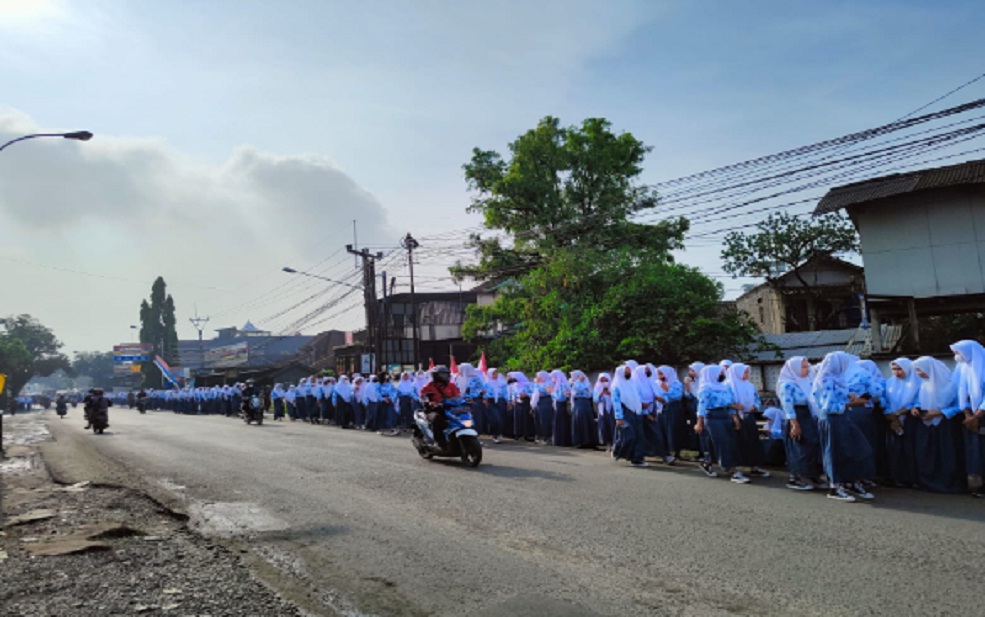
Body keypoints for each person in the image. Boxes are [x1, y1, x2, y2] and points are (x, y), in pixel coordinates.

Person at [813, 352, 876, 502]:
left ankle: (851, 481)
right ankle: (835, 486)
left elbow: (842, 395)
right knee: (835, 452)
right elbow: (829, 406)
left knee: (856, 449)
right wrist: (852, 403)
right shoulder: (825, 380)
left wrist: (851, 396)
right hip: (832, 418)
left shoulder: (838, 378)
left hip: (843, 417)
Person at [911, 356, 965, 493]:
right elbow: (918, 400)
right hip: (926, 423)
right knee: (926, 454)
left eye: (920, 370)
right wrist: (916, 408)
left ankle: (949, 484)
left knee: (947, 454)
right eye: (917, 370)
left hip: (945, 424)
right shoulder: (923, 384)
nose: (919, 373)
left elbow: (960, 405)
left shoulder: (951, 384)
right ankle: (928, 483)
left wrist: (939, 413)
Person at [694, 365, 749, 483]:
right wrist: (699, 422)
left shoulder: (724, 387)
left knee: (725, 441)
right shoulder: (705, 389)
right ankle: (731, 469)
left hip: (725, 415)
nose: (722, 375)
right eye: (720, 373)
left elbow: (729, 403)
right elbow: (701, 407)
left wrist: (734, 416)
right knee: (723, 442)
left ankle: (707, 463)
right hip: (713, 416)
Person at [777, 356, 823, 490]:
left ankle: (812, 475)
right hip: (795, 417)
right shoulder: (787, 384)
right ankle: (796, 478)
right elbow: (787, 405)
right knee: (799, 448)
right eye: (803, 367)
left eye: (807, 366)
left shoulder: (807, 382)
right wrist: (794, 423)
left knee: (812, 446)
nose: (807, 369)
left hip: (807, 415)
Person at [951, 340, 985, 498]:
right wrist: (967, 414)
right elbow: (960, 390)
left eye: (958, 352)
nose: (956, 356)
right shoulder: (962, 368)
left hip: (981, 414)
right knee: (974, 451)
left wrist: (978, 415)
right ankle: (976, 486)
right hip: (970, 415)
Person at [728, 363, 770, 478]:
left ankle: (754, 466)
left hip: (748, 416)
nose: (747, 375)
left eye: (748, 372)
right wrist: (734, 414)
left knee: (753, 441)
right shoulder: (728, 386)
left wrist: (755, 407)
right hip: (736, 418)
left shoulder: (749, 385)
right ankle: (737, 468)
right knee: (738, 442)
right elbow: (727, 403)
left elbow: (757, 399)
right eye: (744, 372)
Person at [883, 358, 920, 488]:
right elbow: (884, 400)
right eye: (894, 369)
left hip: (910, 419)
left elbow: (917, 401)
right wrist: (892, 416)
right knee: (894, 450)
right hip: (892, 420)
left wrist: (900, 413)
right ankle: (896, 478)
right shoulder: (889, 383)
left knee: (910, 450)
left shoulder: (916, 382)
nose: (897, 372)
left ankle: (912, 479)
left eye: (900, 369)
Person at [611, 364, 648, 467]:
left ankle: (637, 459)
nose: (628, 373)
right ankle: (617, 450)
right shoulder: (616, 386)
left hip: (637, 412)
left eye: (629, 371)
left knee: (639, 436)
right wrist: (618, 417)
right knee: (629, 436)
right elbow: (616, 402)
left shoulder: (633, 383)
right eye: (626, 371)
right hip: (625, 412)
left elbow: (637, 397)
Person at [420, 365, 461, 448]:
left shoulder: (451, 385)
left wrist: (466, 400)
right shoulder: (428, 386)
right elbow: (422, 396)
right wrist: (429, 402)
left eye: (446, 374)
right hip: (434, 410)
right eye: (442, 375)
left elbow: (458, 396)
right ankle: (439, 442)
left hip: (450, 409)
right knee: (436, 419)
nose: (445, 377)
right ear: (436, 376)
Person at [655, 366, 685, 461]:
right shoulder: (656, 383)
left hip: (673, 409)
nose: (660, 376)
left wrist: (667, 390)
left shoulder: (676, 383)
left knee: (673, 430)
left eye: (662, 373)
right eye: (659, 374)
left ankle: (675, 451)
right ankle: (665, 452)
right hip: (661, 410)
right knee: (662, 431)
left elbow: (678, 396)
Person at [570, 370, 597, 449]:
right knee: (579, 421)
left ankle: (589, 441)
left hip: (585, 404)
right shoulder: (574, 384)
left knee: (587, 421)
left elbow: (590, 394)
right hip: (578, 404)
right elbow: (573, 394)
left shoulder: (587, 384)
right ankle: (580, 441)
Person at [484, 369, 508, 444]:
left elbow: (505, 393)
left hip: (500, 401)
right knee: (494, 418)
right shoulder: (486, 383)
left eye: (496, 373)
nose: (495, 375)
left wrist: (508, 401)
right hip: (491, 401)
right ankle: (494, 434)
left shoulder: (502, 383)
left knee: (500, 418)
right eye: (493, 373)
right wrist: (485, 399)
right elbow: (485, 392)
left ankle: (499, 434)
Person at [550, 369, 573, 448]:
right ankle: (558, 440)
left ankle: (563, 440)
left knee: (562, 422)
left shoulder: (562, 385)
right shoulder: (556, 385)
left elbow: (561, 397)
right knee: (557, 422)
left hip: (561, 405)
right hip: (557, 404)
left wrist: (553, 393)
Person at [531, 371, 554, 445]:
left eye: (538, 376)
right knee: (538, 420)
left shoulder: (549, 383)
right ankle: (539, 436)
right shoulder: (536, 384)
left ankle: (547, 437)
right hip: (538, 402)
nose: (537, 378)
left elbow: (549, 392)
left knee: (545, 420)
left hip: (546, 401)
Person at [593, 373, 614, 450]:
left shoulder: (612, 386)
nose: (604, 381)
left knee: (612, 425)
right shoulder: (597, 387)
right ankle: (607, 443)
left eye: (605, 379)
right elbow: (595, 399)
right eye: (602, 379)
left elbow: (616, 397)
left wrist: (609, 394)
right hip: (602, 409)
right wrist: (601, 394)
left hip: (612, 409)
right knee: (603, 426)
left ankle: (613, 442)